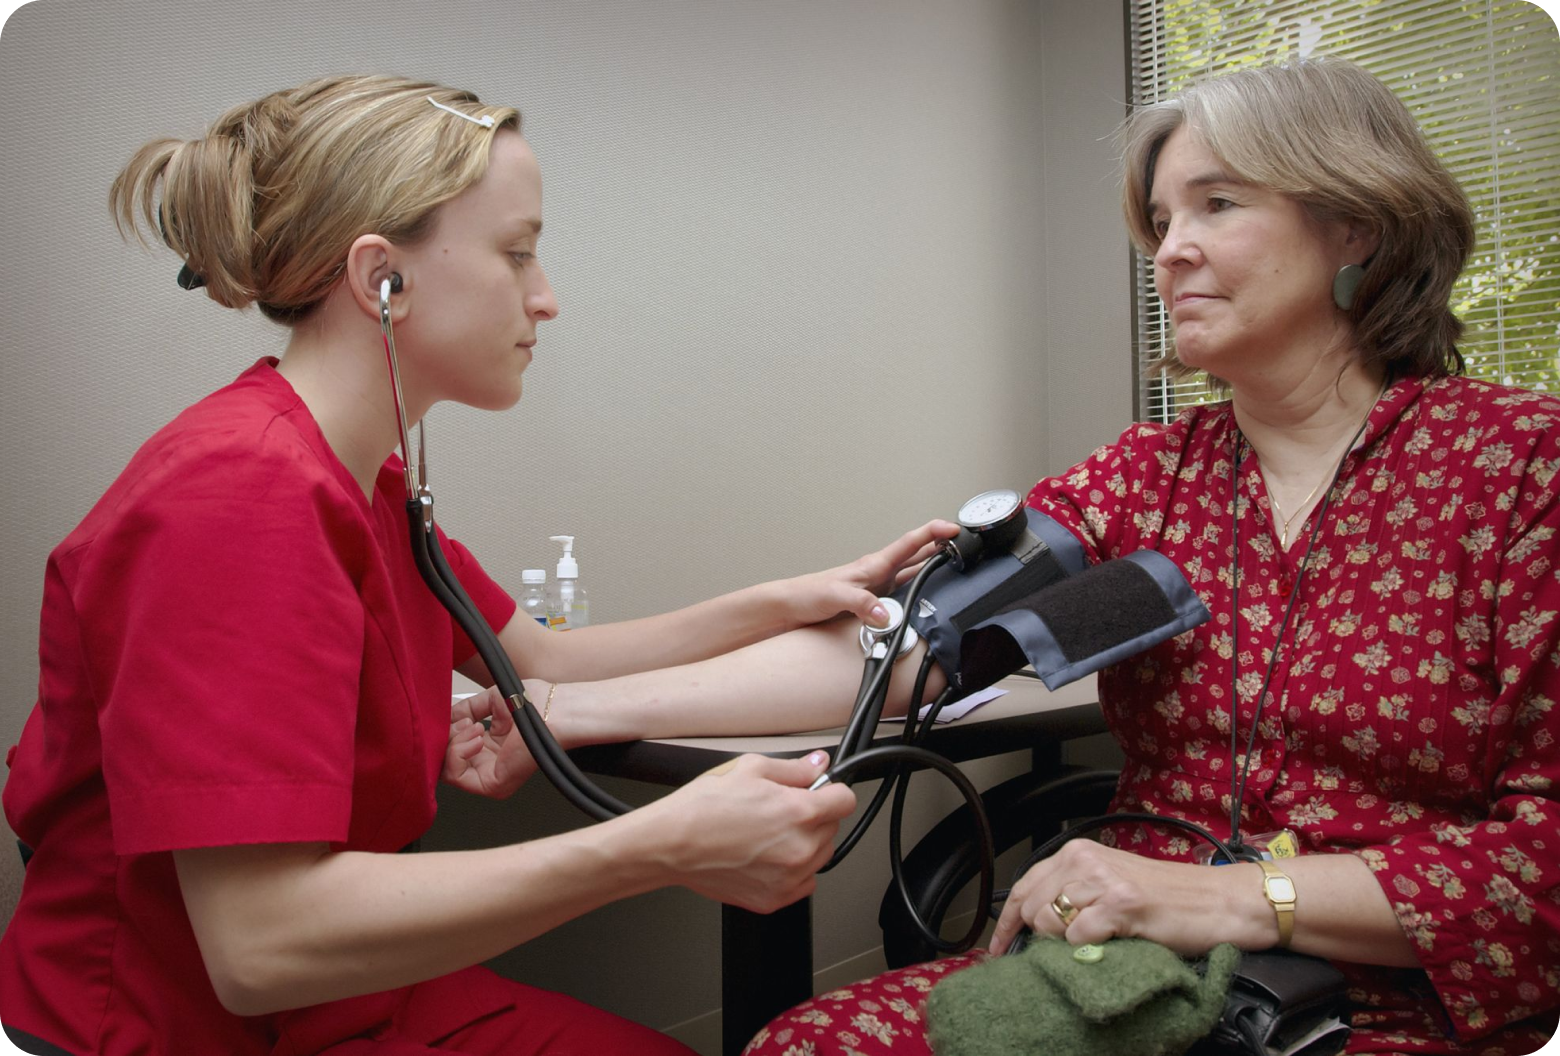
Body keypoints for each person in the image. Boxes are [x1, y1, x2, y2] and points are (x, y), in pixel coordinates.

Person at [0, 75, 959, 1056]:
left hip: (353, 997)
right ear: (384, 279)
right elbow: (258, 945)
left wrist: (785, 596)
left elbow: (546, 660)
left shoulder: (351, 482)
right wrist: (657, 847)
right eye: (516, 253)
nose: (546, 298)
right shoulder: (237, 494)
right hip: (177, 1028)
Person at [744, 56, 1559, 1056]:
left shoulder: (1521, 471)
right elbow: (920, 652)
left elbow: (1545, 851)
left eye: (1216, 205)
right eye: (1163, 224)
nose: (1171, 251)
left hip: (1394, 1000)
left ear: (1357, 225)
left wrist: (1232, 899)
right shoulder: (1149, 484)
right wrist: (567, 706)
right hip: (1115, 975)